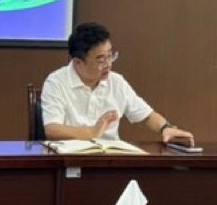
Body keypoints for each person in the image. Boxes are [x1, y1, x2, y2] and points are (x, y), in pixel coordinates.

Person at [39, 22, 195, 145]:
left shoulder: (116, 82)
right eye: (101, 59)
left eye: (110, 55)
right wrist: (91, 132)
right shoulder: (56, 82)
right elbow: (52, 130)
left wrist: (165, 128)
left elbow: (147, 116)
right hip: (70, 160)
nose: (108, 64)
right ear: (78, 62)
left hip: (109, 159)